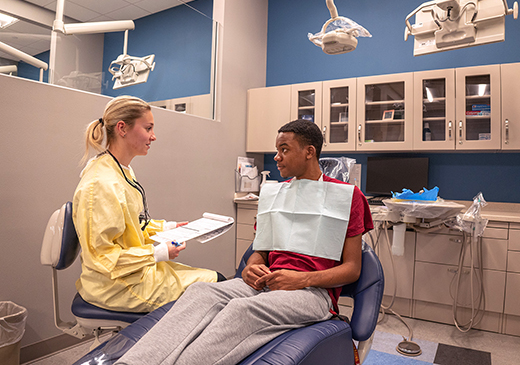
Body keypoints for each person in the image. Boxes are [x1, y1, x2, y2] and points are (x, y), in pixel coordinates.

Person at [115, 119, 373, 365]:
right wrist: (251, 266)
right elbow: (260, 249)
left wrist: (302, 279)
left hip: (312, 293)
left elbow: (352, 269)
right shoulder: (276, 195)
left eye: (284, 149)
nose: (277, 157)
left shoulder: (346, 197)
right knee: (200, 293)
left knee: (241, 311)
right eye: (276, 149)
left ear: (309, 152)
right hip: (267, 282)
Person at [73, 95, 222, 313]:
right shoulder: (100, 184)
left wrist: (168, 228)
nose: (154, 136)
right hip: (116, 286)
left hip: (134, 273)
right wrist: (158, 253)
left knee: (216, 281)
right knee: (216, 286)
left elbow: (131, 225)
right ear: (122, 128)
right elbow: (102, 258)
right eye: (148, 128)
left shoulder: (120, 171)